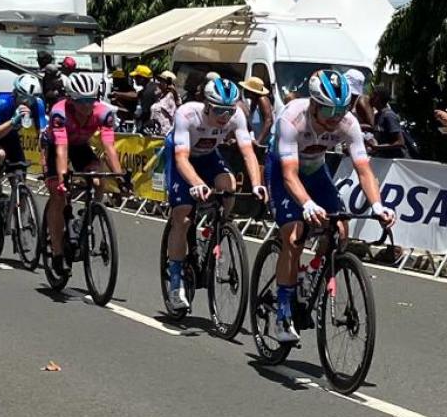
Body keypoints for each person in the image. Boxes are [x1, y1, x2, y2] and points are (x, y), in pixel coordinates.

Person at [267, 70, 395, 343]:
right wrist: (307, 203)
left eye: (341, 109)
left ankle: (312, 273)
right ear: (313, 103)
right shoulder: (292, 118)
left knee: (340, 230)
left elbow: (364, 169)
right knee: (293, 236)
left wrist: (378, 205)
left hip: (314, 170)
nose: (335, 116)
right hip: (283, 169)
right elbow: (289, 174)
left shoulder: (348, 123)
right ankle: (283, 313)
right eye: (328, 109)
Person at [164, 78, 268, 311]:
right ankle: (175, 281)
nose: (225, 116)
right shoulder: (188, 113)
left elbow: (248, 153)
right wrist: (198, 184)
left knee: (229, 184)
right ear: (207, 105)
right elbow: (182, 158)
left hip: (208, 155)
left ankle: (216, 231)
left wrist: (257, 184)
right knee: (182, 216)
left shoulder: (236, 116)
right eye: (220, 110)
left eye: (229, 110)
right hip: (182, 155)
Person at [44, 72, 125, 274]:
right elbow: (61, 149)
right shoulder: (59, 112)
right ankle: (57, 252)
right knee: (58, 194)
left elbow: (109, 148)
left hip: (80, 146)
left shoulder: (103, 113)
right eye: (81, 102)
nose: (86, 107)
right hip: (55, 147)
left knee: (99, 182)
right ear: (71, 100)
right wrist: (63, 178)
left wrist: (120, 178)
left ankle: (88, 217)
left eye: (90, 101)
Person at [0, 74, 47, 215]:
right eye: (23, 98)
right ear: (15, 93)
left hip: (11, 137)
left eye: (31, 99)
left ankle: (19, 218)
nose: (27, 102)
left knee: (19, 173)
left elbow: (42, 134)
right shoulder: (0, 103)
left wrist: (45, 161)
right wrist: (12, 122)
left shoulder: (37, 104)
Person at [367, 91, 408, 158]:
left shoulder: (389, 116)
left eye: (372, 96)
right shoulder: (377, 116)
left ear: (378, 98)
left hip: (395, 161)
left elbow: (400, 142)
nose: (370, 98)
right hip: (383, 160)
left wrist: (377, 147)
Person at [239, 76, 275, 145]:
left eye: (246, 89)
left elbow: (269, 121)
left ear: (252, 91)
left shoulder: (262, 100)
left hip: (266, 144)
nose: (244, 91)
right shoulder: (253, 102)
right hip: (258, 143)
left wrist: (259, 141)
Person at [146, 71, 180, 136]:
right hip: (155, 132)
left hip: (164, 133)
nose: (159, 83)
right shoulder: (159, 96)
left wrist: (174, 92)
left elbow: (178, 108)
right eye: (159, 80)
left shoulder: (171, 97)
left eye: (162, 81)